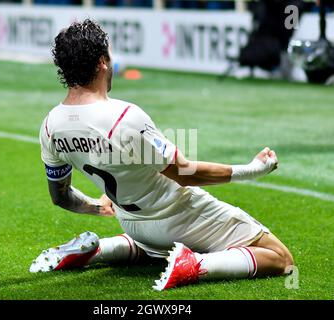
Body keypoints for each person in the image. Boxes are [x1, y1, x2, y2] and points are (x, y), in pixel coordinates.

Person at [30, 19, 294, 291]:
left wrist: (98, 208)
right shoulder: (124, 117)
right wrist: (253, 169)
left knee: (152, 248)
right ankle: (195, 266)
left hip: (134, 226)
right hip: (178, 215)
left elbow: (60, 197)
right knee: (279, 257)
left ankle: (99, 251)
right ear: (102, 62)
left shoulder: (51, 126)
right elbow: (184, 173)